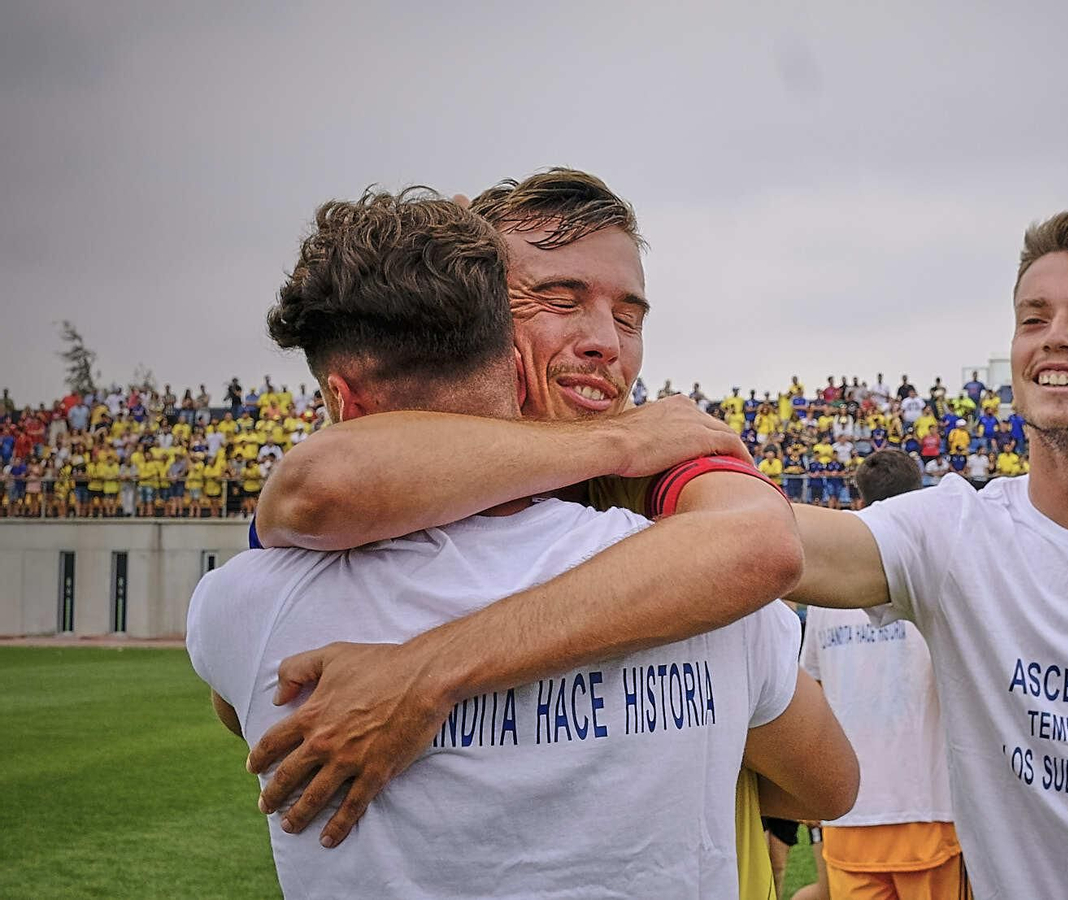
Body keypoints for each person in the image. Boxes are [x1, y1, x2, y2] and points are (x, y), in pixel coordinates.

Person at [245, 208, 1068, 898]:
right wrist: (593, 448)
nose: (1056, 340)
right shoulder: (952, 535)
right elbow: (759, 547)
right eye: (1034, 317)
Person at [187, 188, 856, 898]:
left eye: (629, 314)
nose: (606, 340)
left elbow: (760, 545)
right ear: (488, 325)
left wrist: (426, 672)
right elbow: (318, 485)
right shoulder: (649, 481)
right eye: (560, 299)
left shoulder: (687, 514)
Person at [799, 449, 967, 900]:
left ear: (859, 501)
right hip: (930, 809)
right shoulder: (941, 574)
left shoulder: (823, 593)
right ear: (919, 498)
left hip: (850, 814)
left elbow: (811, 692)